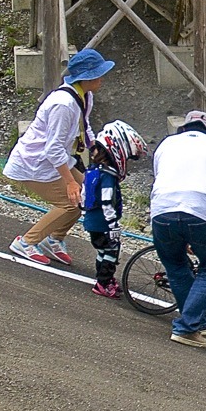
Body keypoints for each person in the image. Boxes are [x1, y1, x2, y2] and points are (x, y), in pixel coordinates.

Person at [2, 48, 115, 266]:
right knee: (70, 203)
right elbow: (52, 148)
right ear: (86, 77)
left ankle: (54, 239)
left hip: (55, 160)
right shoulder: (63, 105)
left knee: (88, 195)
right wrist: (70, 182)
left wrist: (97, 150)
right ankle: (26, 242)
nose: (102, 78)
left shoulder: (84, 96)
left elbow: (85, 126)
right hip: (35, 163)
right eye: (98, 74)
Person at [149, 110, 206, 349]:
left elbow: (160, 179)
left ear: (184, 128)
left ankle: (197, 321)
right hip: (200, 209)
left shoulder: (167, 143)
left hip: (162, 209)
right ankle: (186, 327)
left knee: (175, 266)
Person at [82, 120, 148, 298]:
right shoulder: (108, 176)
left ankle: (103, 279)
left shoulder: (93, 170)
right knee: (111, 250)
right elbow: (106, 201)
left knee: (102, 250)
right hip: (103, 222)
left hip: (91, 220)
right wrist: (113, 225)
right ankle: (103, 282)